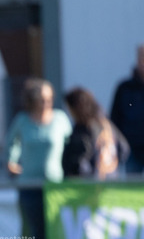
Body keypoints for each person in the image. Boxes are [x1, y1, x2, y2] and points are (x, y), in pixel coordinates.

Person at [6, 79, 72, 239]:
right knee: (37, 232)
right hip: (30, 185)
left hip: (55, 185)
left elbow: (72, 146)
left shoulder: (60, 119)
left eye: (49, 99)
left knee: (57, 230)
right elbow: (12, 144)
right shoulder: (23, 120)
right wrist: (12, 162)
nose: (46, 103)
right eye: (42, 99)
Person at [62, 86, 130, 180]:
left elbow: (80, 164)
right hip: (111, 179)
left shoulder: (83, 130)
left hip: (91, 186)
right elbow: (124, 149)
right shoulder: (106, 124)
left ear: (75, 108)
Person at [109, 44, 144, 175]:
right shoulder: (125, 88)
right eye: (142, 57)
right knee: (133, 190)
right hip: (132, 150)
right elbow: (115, 118)